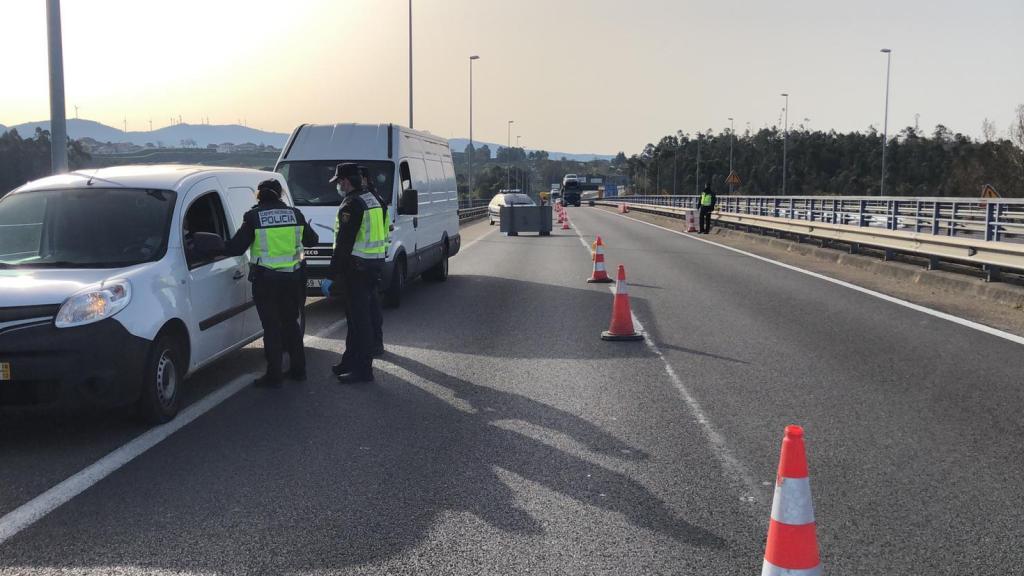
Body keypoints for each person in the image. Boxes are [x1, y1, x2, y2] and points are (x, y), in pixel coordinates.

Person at [221, 179, 317, 387]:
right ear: (280, 193)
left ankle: (274, 376)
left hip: (267, 282)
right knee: (291, 324)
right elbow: (313, 240)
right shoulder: (295, 214)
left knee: (272, 328)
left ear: (259, 195)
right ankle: (299, 370)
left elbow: (235, 248)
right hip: (292, 279)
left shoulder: (253, 217)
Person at [321, 163, 386, 383]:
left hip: (357, 268)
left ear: (347, 181)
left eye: (339, 182)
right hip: (373, 265)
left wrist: (330, 275)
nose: (338, 186)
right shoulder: (373, 198)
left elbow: (344, 243)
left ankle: (363, 370)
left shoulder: (352, 204)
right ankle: (349, 360)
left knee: (360, 322)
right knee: (355, 319)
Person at [360, 165, 388, 357]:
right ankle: (376, 343)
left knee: (367, 308)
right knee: (373, 306)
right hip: (376, 257)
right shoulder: (377, 199)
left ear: (364, 179)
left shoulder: (365, 201)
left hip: (365, 260)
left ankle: (372, 345)